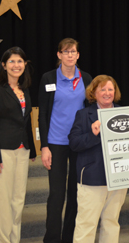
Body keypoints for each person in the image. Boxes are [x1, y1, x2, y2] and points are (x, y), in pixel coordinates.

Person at [38, 38, 92, 243]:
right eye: (65, 52)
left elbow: (91, 110)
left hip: (78, 143)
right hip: (56, 143)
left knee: (75, 192)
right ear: (59, 55)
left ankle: (69, 237)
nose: (70, 55)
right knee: (57, 194)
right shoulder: (49, 78)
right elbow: (42, 114)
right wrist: (44, 146)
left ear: (78, 55)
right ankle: (51, 238)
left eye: (73, 52)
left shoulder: (86, 78)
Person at [0, 47, 36, 243]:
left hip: (22, 151)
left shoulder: (24, 89)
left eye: (20, 61)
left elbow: (26, 120)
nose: (16, 65)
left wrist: (31, 148)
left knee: (18, 202)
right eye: (12, 62)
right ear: (4, 65)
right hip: (2, 152)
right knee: (1, 204)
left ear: (25, 65)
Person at [68, 75, 127, 243]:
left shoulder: (124, 114)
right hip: (91, 179)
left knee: (111, 223)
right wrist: (93, 134)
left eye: (110, 89)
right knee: (86, 225)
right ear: (94, 93)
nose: (107, 93)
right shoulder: (83, 114)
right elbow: (74, 143)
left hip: (118, 179)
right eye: (103, 89)